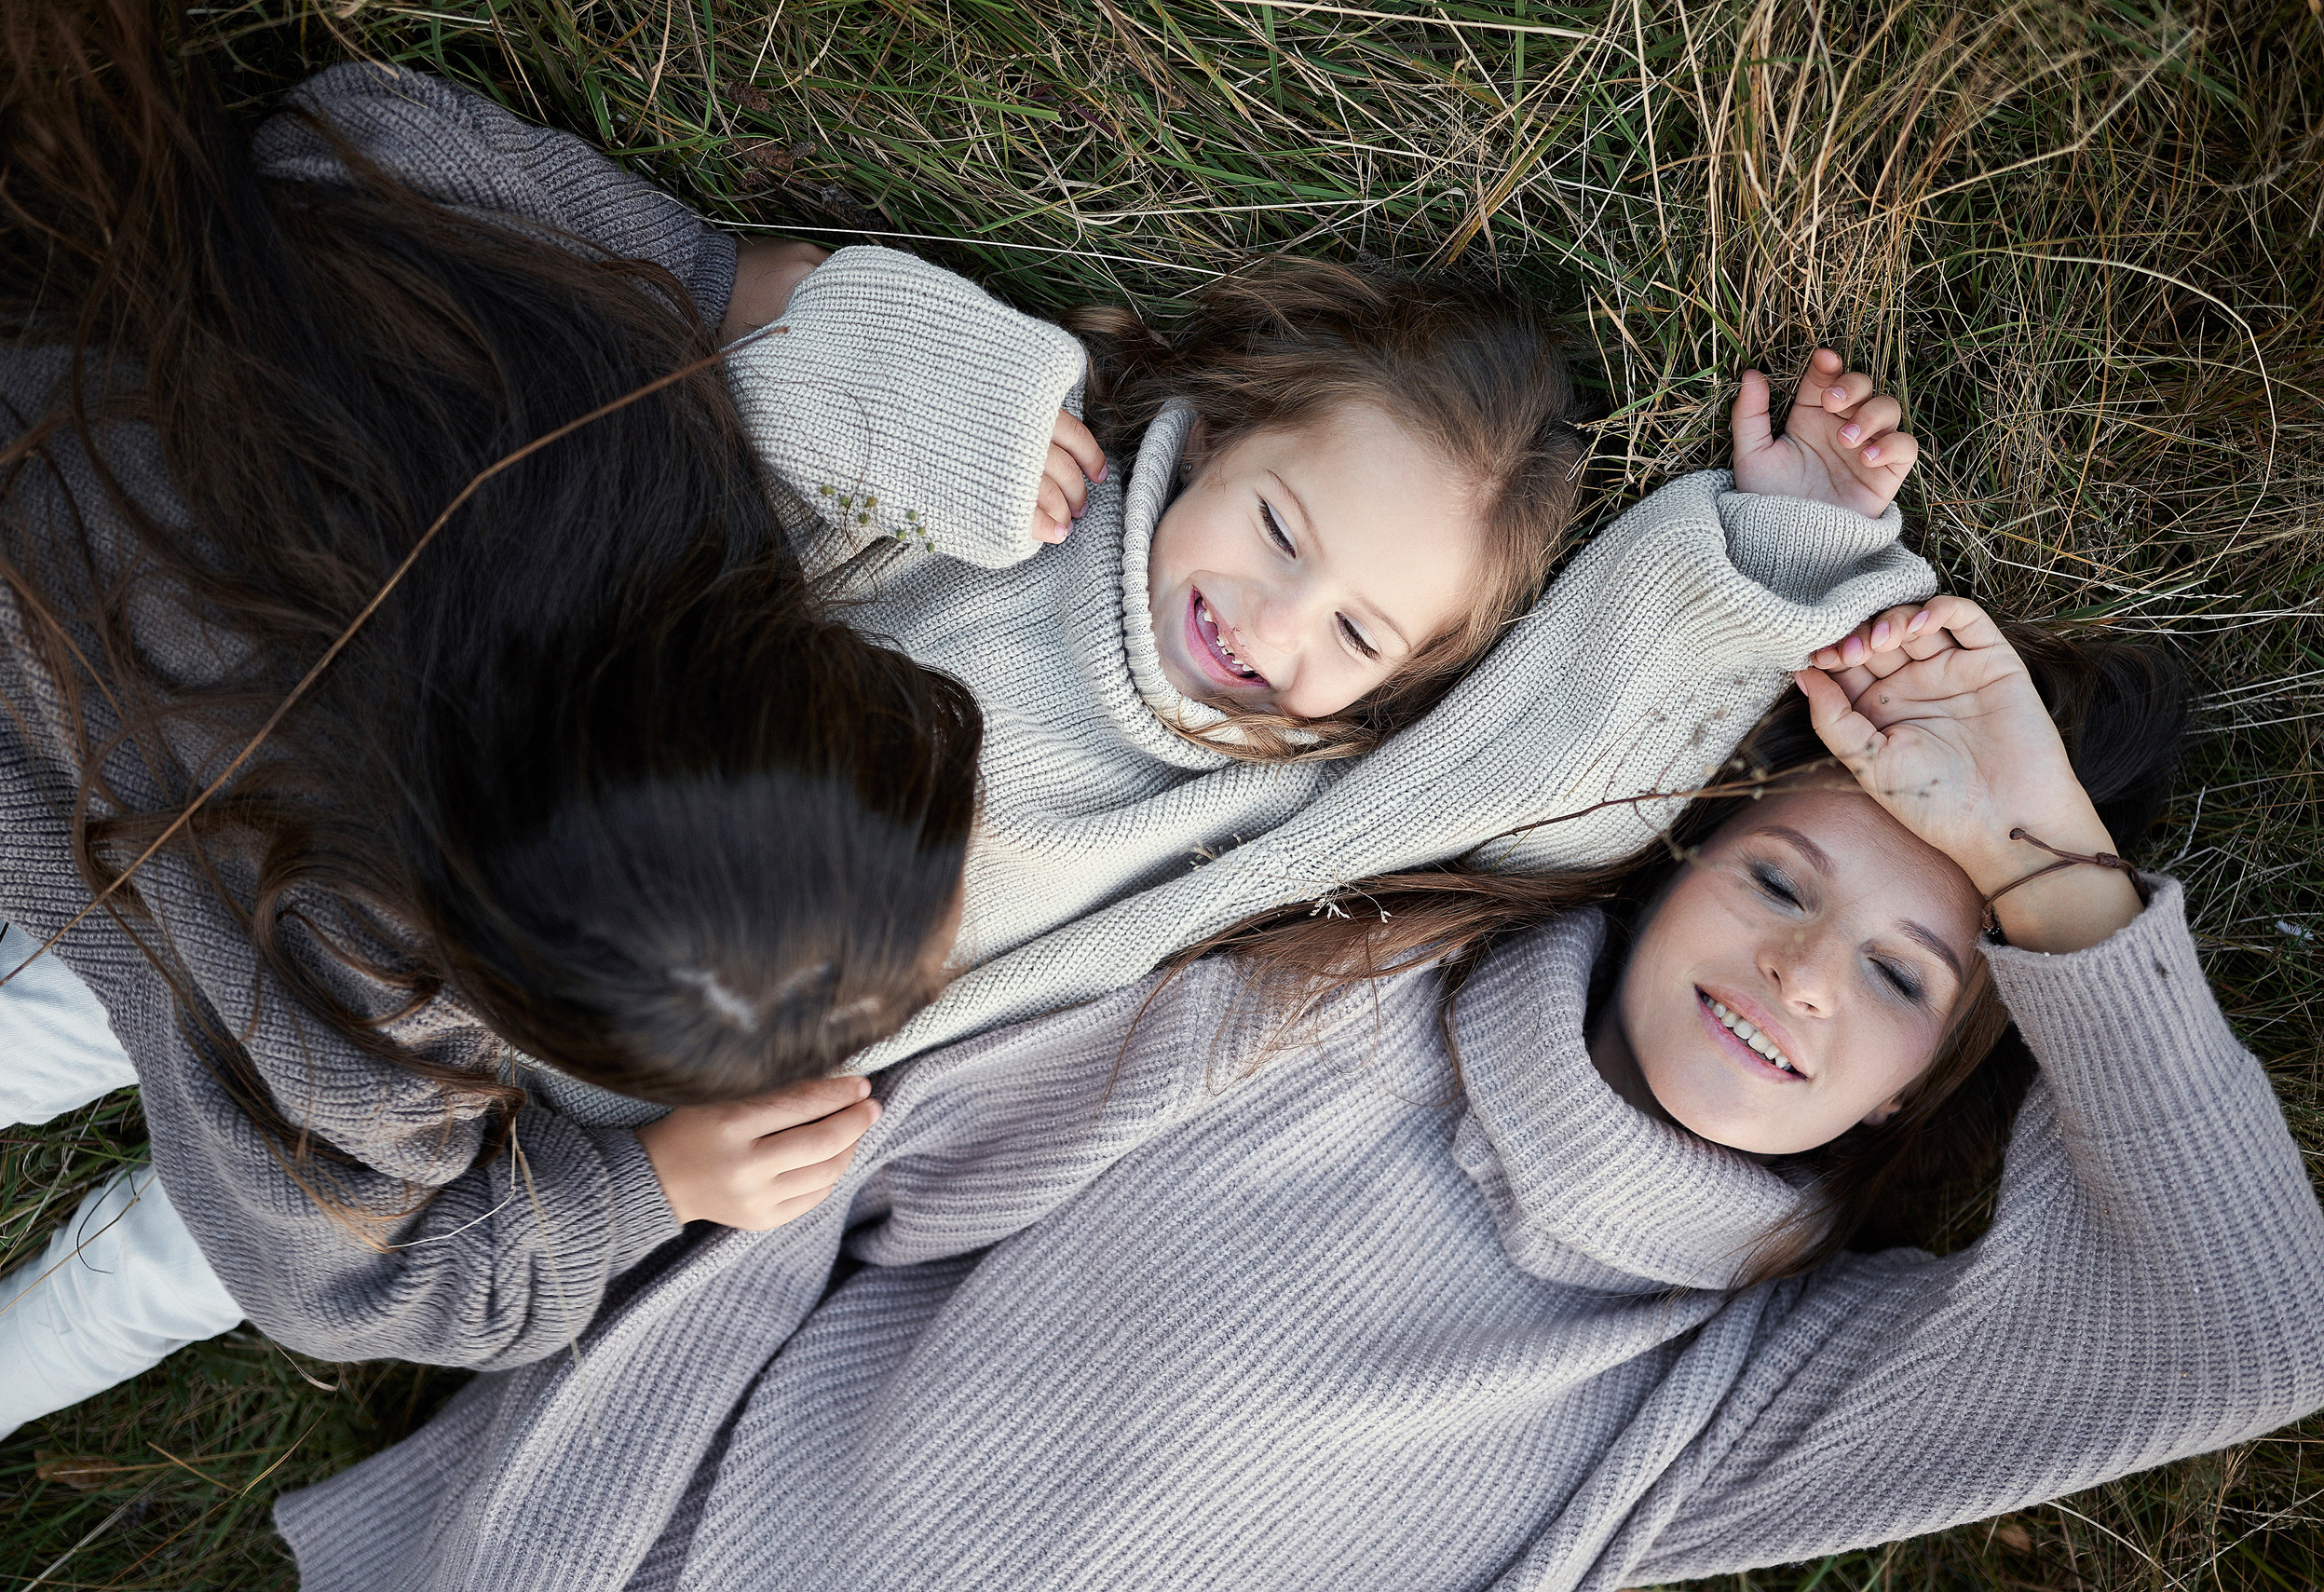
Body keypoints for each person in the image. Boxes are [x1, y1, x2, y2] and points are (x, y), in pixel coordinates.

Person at [0, 25, 1937, 1446]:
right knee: (61, 995)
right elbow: (733, 404)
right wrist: (973, 406)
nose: (1268, 629)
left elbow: (1537, 767)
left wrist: (1775, 551)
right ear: (1215, 423)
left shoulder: (1272, 795)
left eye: (1355, 635)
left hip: (648, 1101)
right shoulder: (1020, 484)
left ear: (1391, 690)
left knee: (177, 1260)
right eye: (1272, 529)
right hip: (467, 833)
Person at [272, 597, 2324, 1592]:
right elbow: (843, 1179)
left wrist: (2050, 871)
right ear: (1674, 870)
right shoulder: (1324, 1013)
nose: (1797, 971)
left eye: (1899, 973)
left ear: (1927, 1091)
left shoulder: (1718, 1401)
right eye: (1776, 879)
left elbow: (2246, 1328)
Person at [0, 1, 978, 1453]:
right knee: (59, 1145)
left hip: (14, 410)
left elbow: (364, 131)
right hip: (33, 695)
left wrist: (722, 281)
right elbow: (346, 1283)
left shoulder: (557, 438)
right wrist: (652, 1184)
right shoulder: (361, 1016)